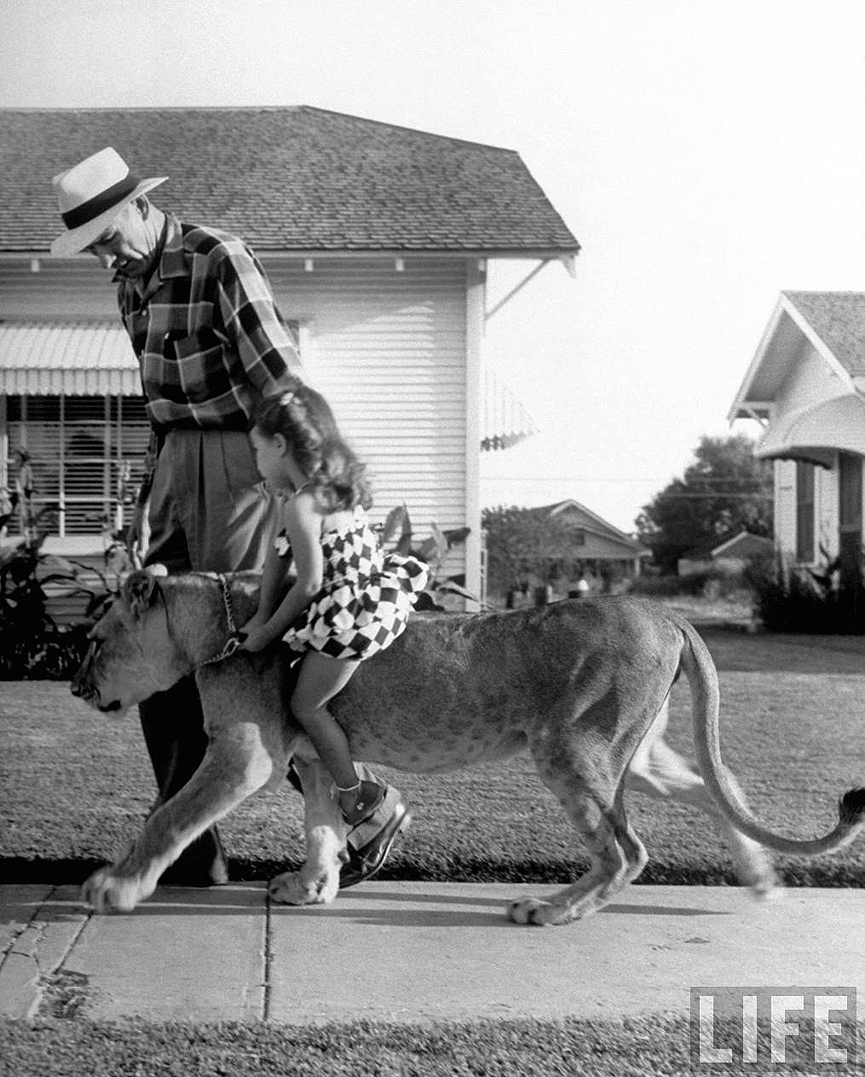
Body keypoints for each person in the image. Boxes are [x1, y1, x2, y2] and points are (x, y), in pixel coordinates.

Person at [49, 146, 411, 887]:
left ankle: (362, 806)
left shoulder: (218, 257)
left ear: (141, 209)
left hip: (243, 465)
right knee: (158, 641)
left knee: (244, 651)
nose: (106, 257)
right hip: (178, 466)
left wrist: (314, 489)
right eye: (92, 249)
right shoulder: (131, 287)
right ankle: (190, 848)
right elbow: (158, 412)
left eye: (110, 237)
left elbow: (281, 384)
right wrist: (146, 504)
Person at [240, 389, 428, 823]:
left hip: (351, 616)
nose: (256, 461)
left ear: (280, 445)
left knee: (306, 705)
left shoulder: (303, 505)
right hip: (376, 597)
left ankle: (356, 792)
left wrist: (265, 634)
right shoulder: (329, 492)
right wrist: (262, 615)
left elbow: (308, 583)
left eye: (257, 448)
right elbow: (277, 559)